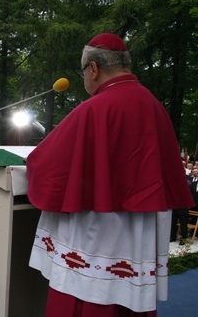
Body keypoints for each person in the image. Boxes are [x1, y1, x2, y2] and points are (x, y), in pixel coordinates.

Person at [26, 33, 194, 316]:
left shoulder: (94, 109)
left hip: (98, 231)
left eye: (84, 72)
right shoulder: (154, 106)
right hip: (137, 234)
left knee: (88, 299)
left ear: (94, 68)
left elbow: (44, 166)